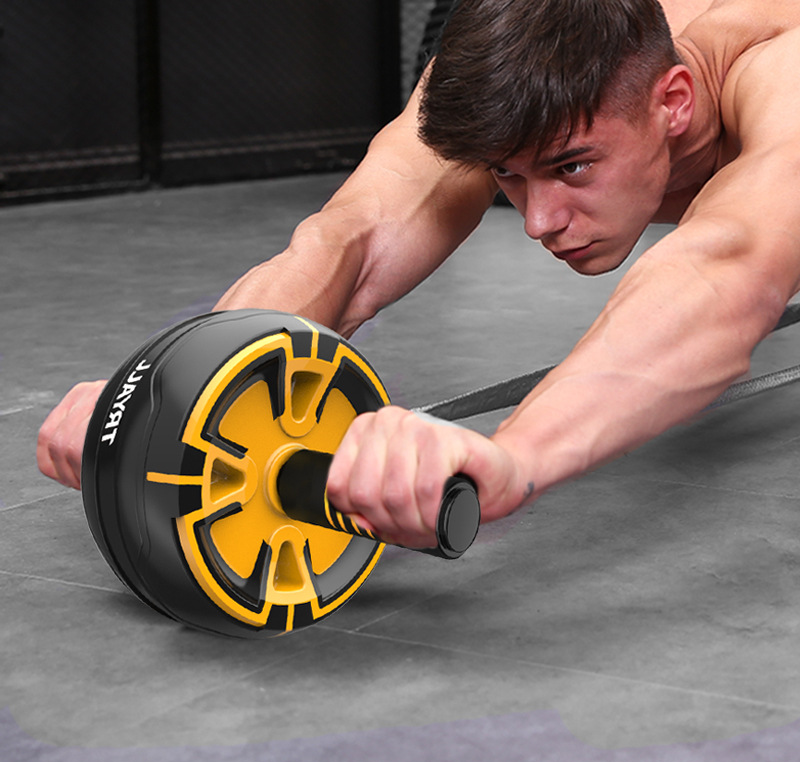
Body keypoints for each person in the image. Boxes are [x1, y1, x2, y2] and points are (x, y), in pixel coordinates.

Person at [38, 0, 800, 552]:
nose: (537, 222)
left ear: (674, 103)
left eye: (573, 167)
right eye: (508, 175)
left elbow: (727, 264)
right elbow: (354, 237)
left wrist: (517, 456)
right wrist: (172, 393)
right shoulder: (524, 69)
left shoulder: (779, 73)